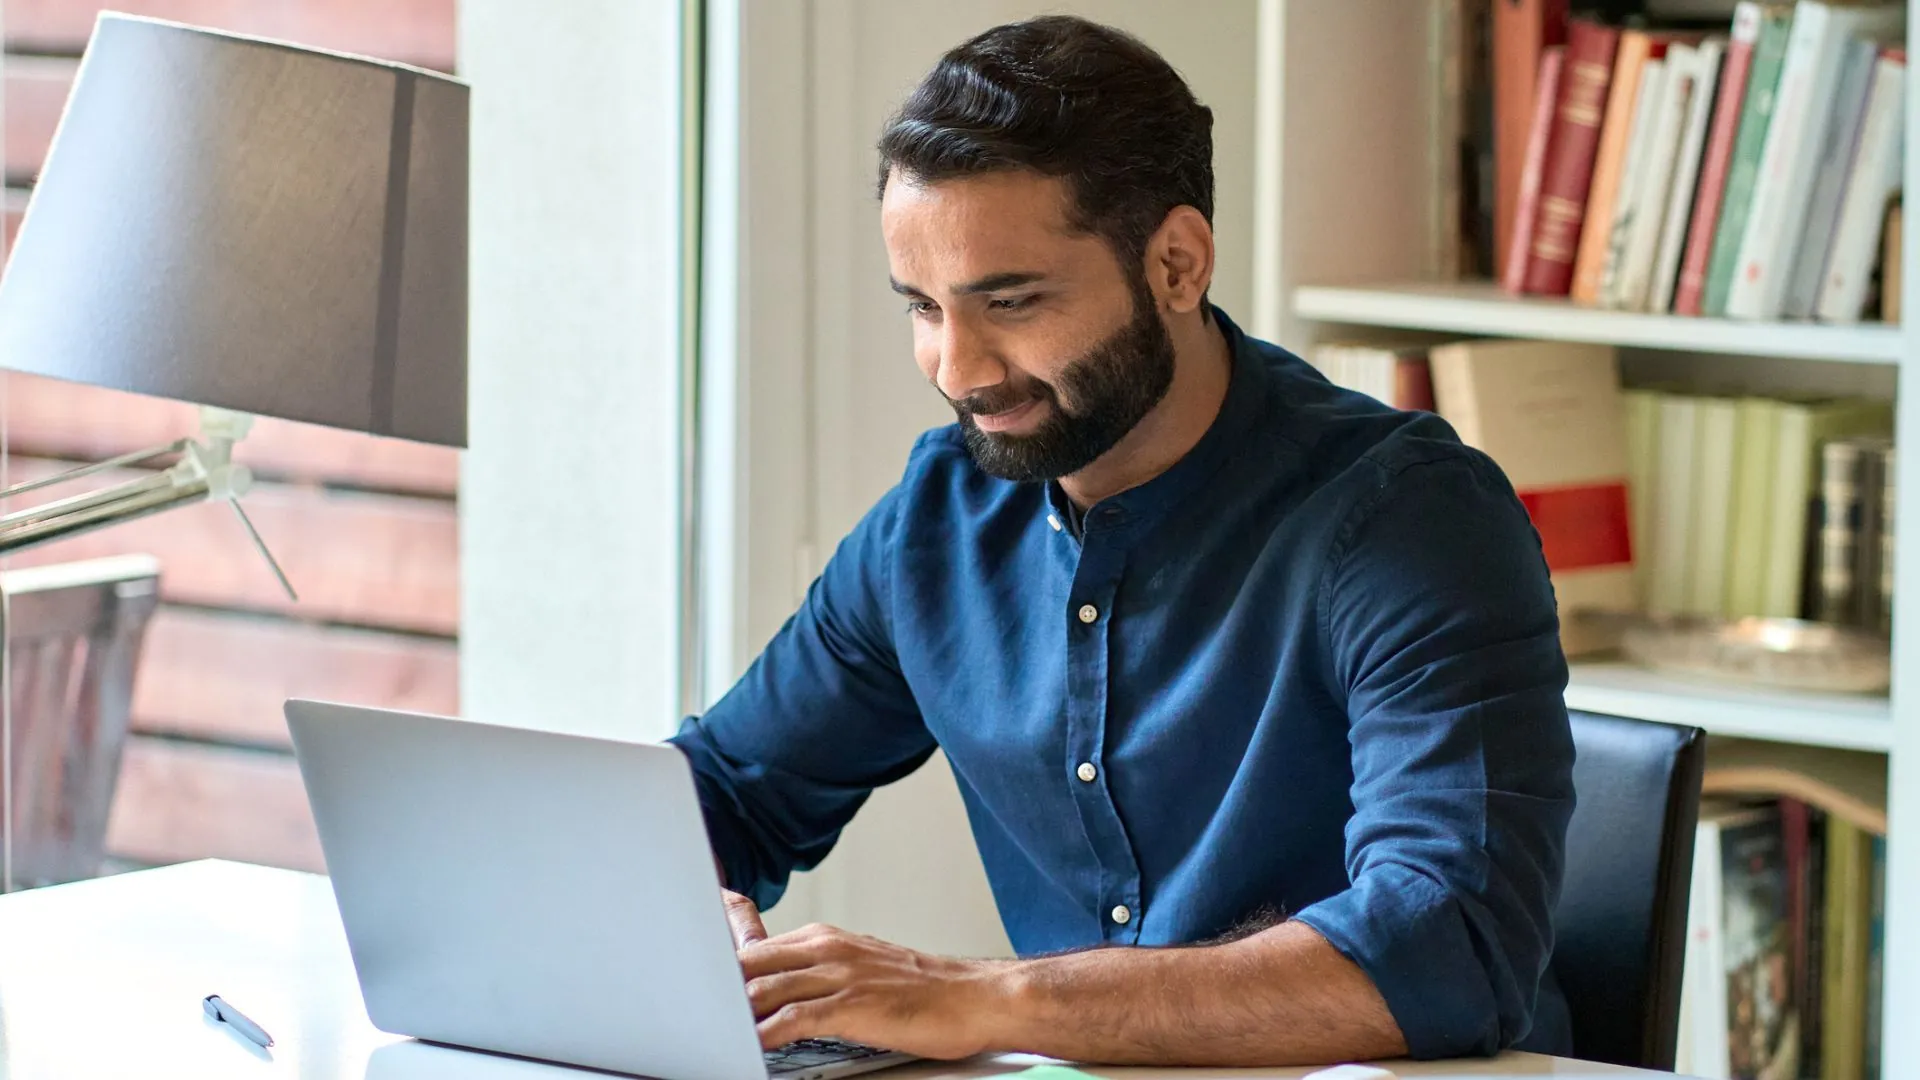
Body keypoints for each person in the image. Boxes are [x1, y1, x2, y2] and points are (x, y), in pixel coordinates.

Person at [668, 14, 1575, 1069]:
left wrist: (987, 1000)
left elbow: (1450, 946)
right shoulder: (939, 519)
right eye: (924, 307)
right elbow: (727, 793)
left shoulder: (1410, 519)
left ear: (1178, 264)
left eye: (1011, 302)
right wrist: (680, 902)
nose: (958, 369)